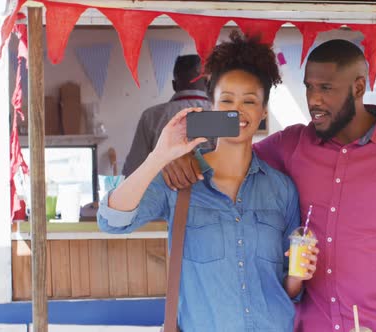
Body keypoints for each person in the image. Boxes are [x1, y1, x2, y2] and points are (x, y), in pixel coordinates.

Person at [164, 39, 376, 332]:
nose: (313, 100)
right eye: (309, 87)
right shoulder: (292, 144)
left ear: (358, 87)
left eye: (326, 89)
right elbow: (237, 135)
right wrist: (186, 152)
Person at [97, 31, 319, 332]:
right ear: (212, 106)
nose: (237, 110)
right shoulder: (180, 180)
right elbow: (111, 220)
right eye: (226, 100)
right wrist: (159, 155)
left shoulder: (281, 189)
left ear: (263, 111)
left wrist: (298, 276)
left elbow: (289, 290)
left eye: (249, 101)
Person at [122, 54, 213, 176]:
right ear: (208, 84)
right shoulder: (221, 115)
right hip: (214, 192)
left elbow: (133, 169)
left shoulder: (151, 116)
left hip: (163, 192)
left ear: (174, 85)